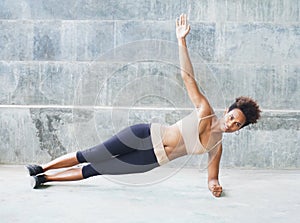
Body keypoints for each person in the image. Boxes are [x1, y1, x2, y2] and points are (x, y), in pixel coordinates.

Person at [25, 14, 261, 197]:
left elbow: (212, 178)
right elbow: (188, 77)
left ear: (239, 130)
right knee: (91, 154)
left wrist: (215, 186)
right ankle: (42, 167)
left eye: (237, 125)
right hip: (145, 135)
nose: (231, 124)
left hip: (151, 160)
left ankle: (46, 179)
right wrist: (181, 41)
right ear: (227, 112)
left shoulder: (216, 147)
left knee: (95, 169)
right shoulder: (205, 111)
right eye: (232, 117)